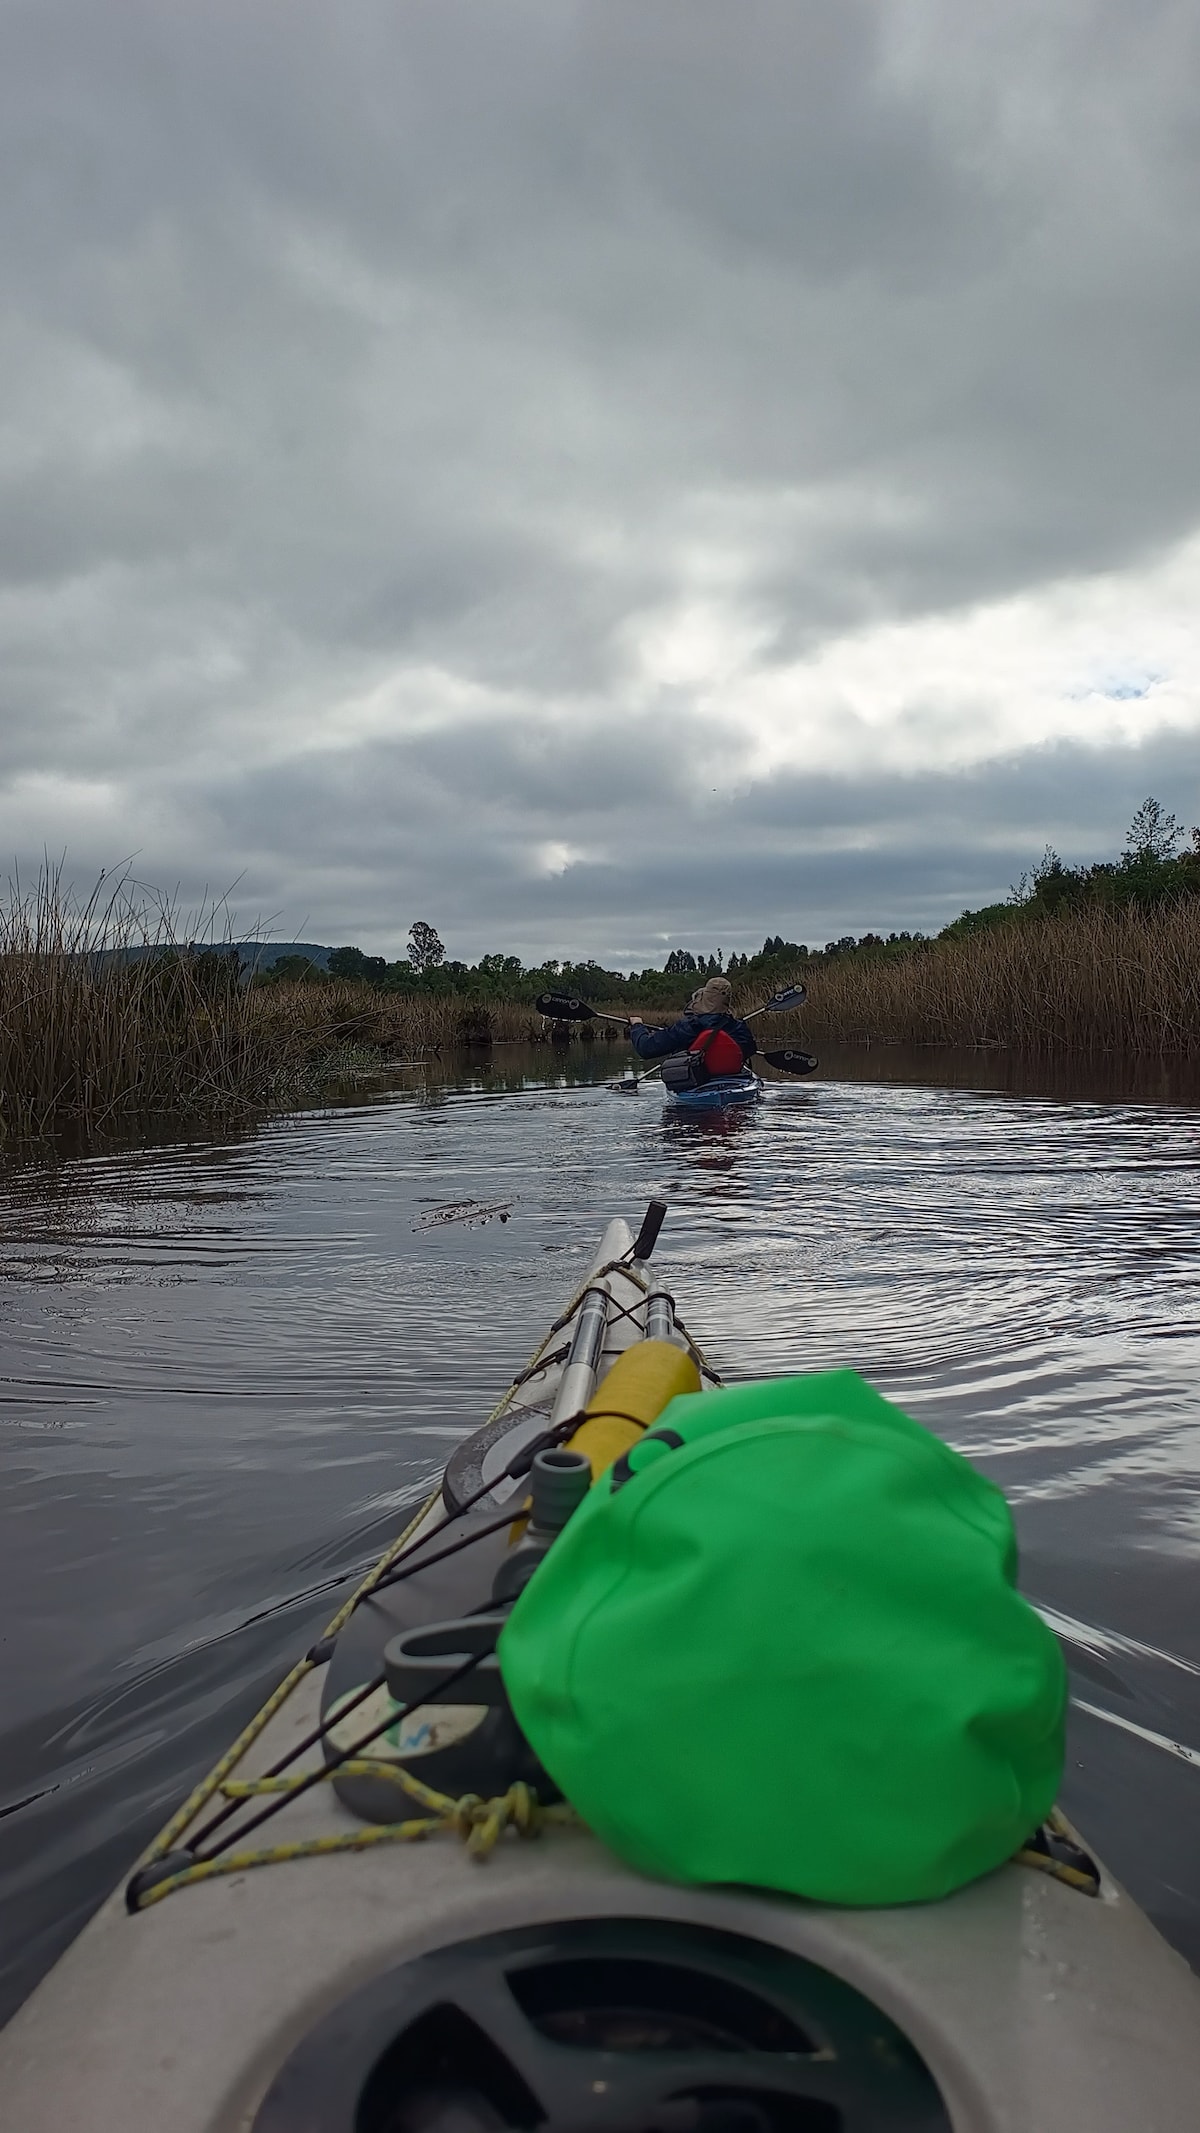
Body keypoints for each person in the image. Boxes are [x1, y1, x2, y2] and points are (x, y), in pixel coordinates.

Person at [627, 976, 756, 1075]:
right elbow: (750, 1050)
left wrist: (637, 1025)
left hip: (695, 1084)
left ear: (704, 998)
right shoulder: (740, 1027)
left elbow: (646, 1048)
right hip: (733, 1083)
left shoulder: (688, 1026)